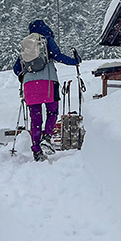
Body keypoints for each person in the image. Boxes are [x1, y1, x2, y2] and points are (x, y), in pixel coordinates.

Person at [13, 19, 80, 161]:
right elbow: (57, 56)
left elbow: (16, 69)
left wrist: (28, 75)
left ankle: (36, 151)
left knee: (35, 119)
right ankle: (47, 137)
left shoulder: (26, 44)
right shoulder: (46, 39)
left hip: (30, 86)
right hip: (48, 82)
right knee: (52, 111)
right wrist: (75, 61)